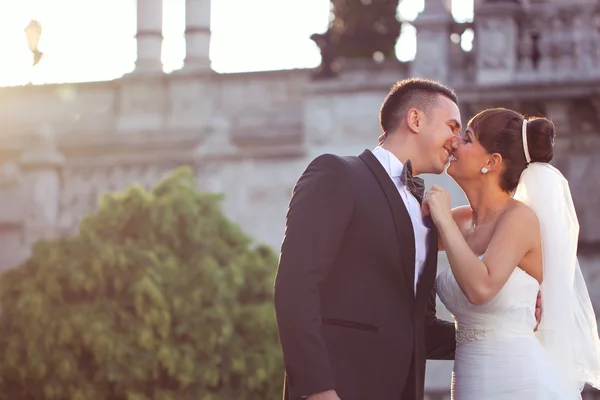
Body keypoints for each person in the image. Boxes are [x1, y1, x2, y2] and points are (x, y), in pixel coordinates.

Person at [274, 77, 464, 400]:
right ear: (415, 120)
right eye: (452, 127)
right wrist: (316, 388)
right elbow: (295, 286)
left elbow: (421, 328)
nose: (457, 142)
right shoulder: (337, 175)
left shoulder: (428, 216)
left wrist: (498, 331)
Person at [425, 108, 600, 399]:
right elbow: (395, 241)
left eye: (467, 138)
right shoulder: (460, 221)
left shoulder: (519, 219)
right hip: (470, 384)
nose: (454, 143)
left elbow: (481, 288)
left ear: (491, 162)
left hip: (520, 384)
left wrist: (442, 218)